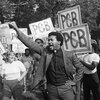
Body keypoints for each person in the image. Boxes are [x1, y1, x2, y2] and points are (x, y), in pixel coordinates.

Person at [9, 23, 84, 100]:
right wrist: (17, 30)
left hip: (66, 89)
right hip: (52, 89)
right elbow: (31, 44)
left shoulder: (69, 55)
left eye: (51, 40)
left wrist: (74, 81)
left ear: (59, 42)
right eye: (48, 40)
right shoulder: (45, 52)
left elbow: (80, 68)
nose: (49, 42)